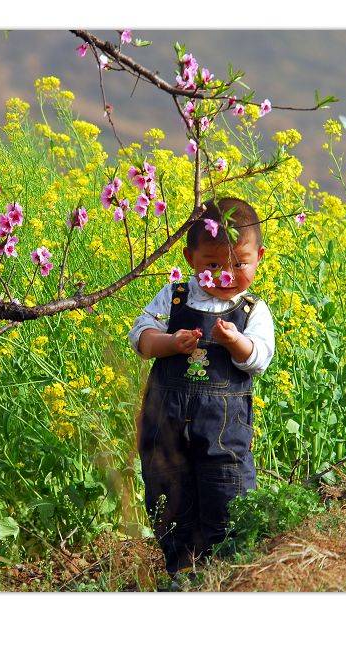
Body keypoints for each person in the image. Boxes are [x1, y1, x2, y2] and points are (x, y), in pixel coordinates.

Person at [127, 196, 275, 588]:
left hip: (223, 433)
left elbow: (259, 357)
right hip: (165, 424)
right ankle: (180, 572)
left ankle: (227, 575)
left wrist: (236, 343)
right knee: (167, 492)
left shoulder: (252, 311)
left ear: (259, 256)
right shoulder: (174, 296)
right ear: (191, 258)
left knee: (228, 494)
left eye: (239, 264)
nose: (226, 275)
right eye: (213, 265)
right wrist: (169, 342)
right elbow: (140, 336)